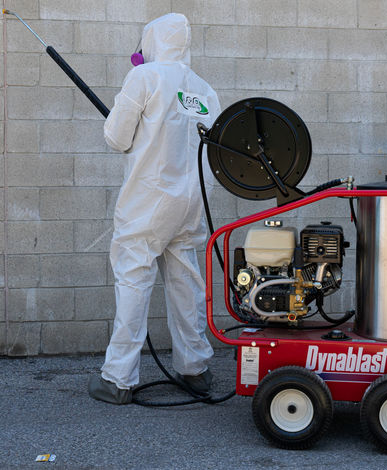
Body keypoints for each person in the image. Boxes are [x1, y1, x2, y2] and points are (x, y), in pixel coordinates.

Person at [88, 13, 221, 404]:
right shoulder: (203, 89)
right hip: (189, 201)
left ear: (153, 40)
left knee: (133, 280)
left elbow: (116, 138)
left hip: (147, 201)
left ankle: (118, 379)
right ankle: (195, 369)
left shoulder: (143, 77)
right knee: (185, 282)